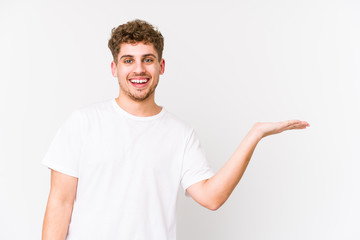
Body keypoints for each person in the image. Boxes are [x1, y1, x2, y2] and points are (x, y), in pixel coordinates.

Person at [41, 19, 310, 240]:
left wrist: (255, 134)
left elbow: (212, 197)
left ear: (161, 66)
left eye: (148, 59)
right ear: (114, 68)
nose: (139, 69)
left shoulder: (181, 135)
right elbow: (60, 204)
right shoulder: (83, 123)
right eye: (128, 60)